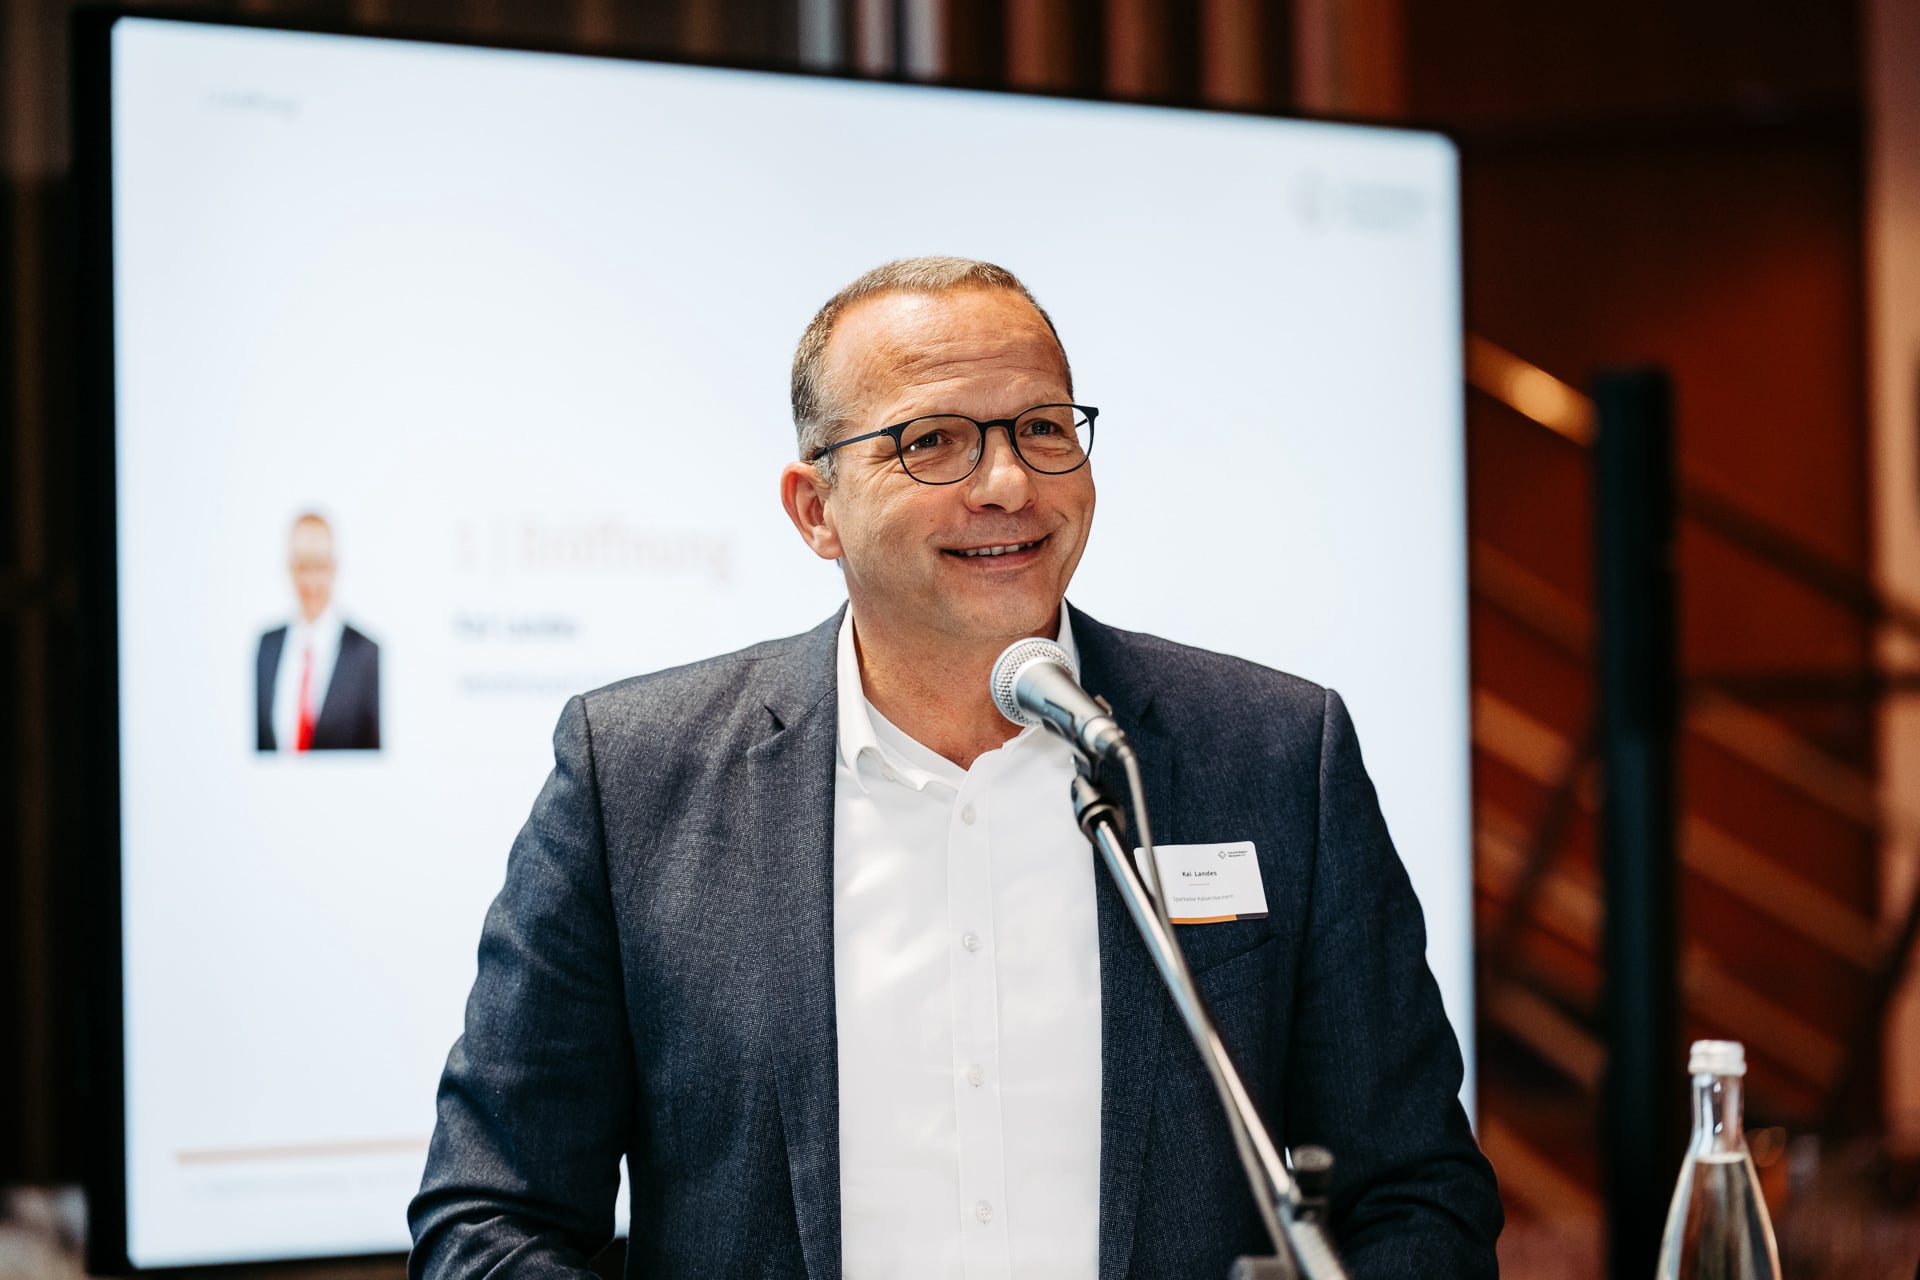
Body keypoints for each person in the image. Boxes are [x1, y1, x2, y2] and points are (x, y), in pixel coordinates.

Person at [409, 258, 1501, 1278]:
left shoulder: (1273, 753)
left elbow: (1415, 1192)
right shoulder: (635, 778)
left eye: (1042, 428)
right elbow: (490, 1217)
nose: (1009, 483)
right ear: (815, 509)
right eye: (933, 441)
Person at [255, 512, 380, 752]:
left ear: (334, 568)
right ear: (290, 569)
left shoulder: (367, 654)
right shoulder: (266, 647)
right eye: (303, 566)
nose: (311, 580)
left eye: (320, 566)